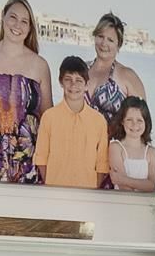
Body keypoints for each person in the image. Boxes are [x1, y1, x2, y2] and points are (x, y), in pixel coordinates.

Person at [0, 0, 51, 184]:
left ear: (30, 27)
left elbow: (49, 119)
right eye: (13, 17)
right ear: (3, 17)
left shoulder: (40, 65)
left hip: (30, 160)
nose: (18, 25)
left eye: (24, 21)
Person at [34, 54, 111, 190]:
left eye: (79, 80)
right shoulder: (49, 117)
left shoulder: (98, 121)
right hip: (54, 190)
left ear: (87, 84)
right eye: (68, 79)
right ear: (61, 82)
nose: (73, 85)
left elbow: (102, 163)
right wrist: (51, 183)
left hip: (87, 192)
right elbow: (41, 158)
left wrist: (93, 188)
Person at [84, 11, 146, 134]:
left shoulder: (128, 76)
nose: (104, 43)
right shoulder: (81, 70)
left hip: (112, 150)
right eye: (100, 36)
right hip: (79, 147)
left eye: (110, 40)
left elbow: (142, 122)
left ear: (119, 45)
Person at [106, 96, 155, 192]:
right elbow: (123, 188)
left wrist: (123, 179)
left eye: (139, 120)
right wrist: (143, 184)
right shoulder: (115, 147)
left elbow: (152, 186)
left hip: (145, 205)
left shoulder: (151, 152)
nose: (134, 125)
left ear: (146, 122)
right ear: (122, 121)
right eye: (129, 120)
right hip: (122, 204)